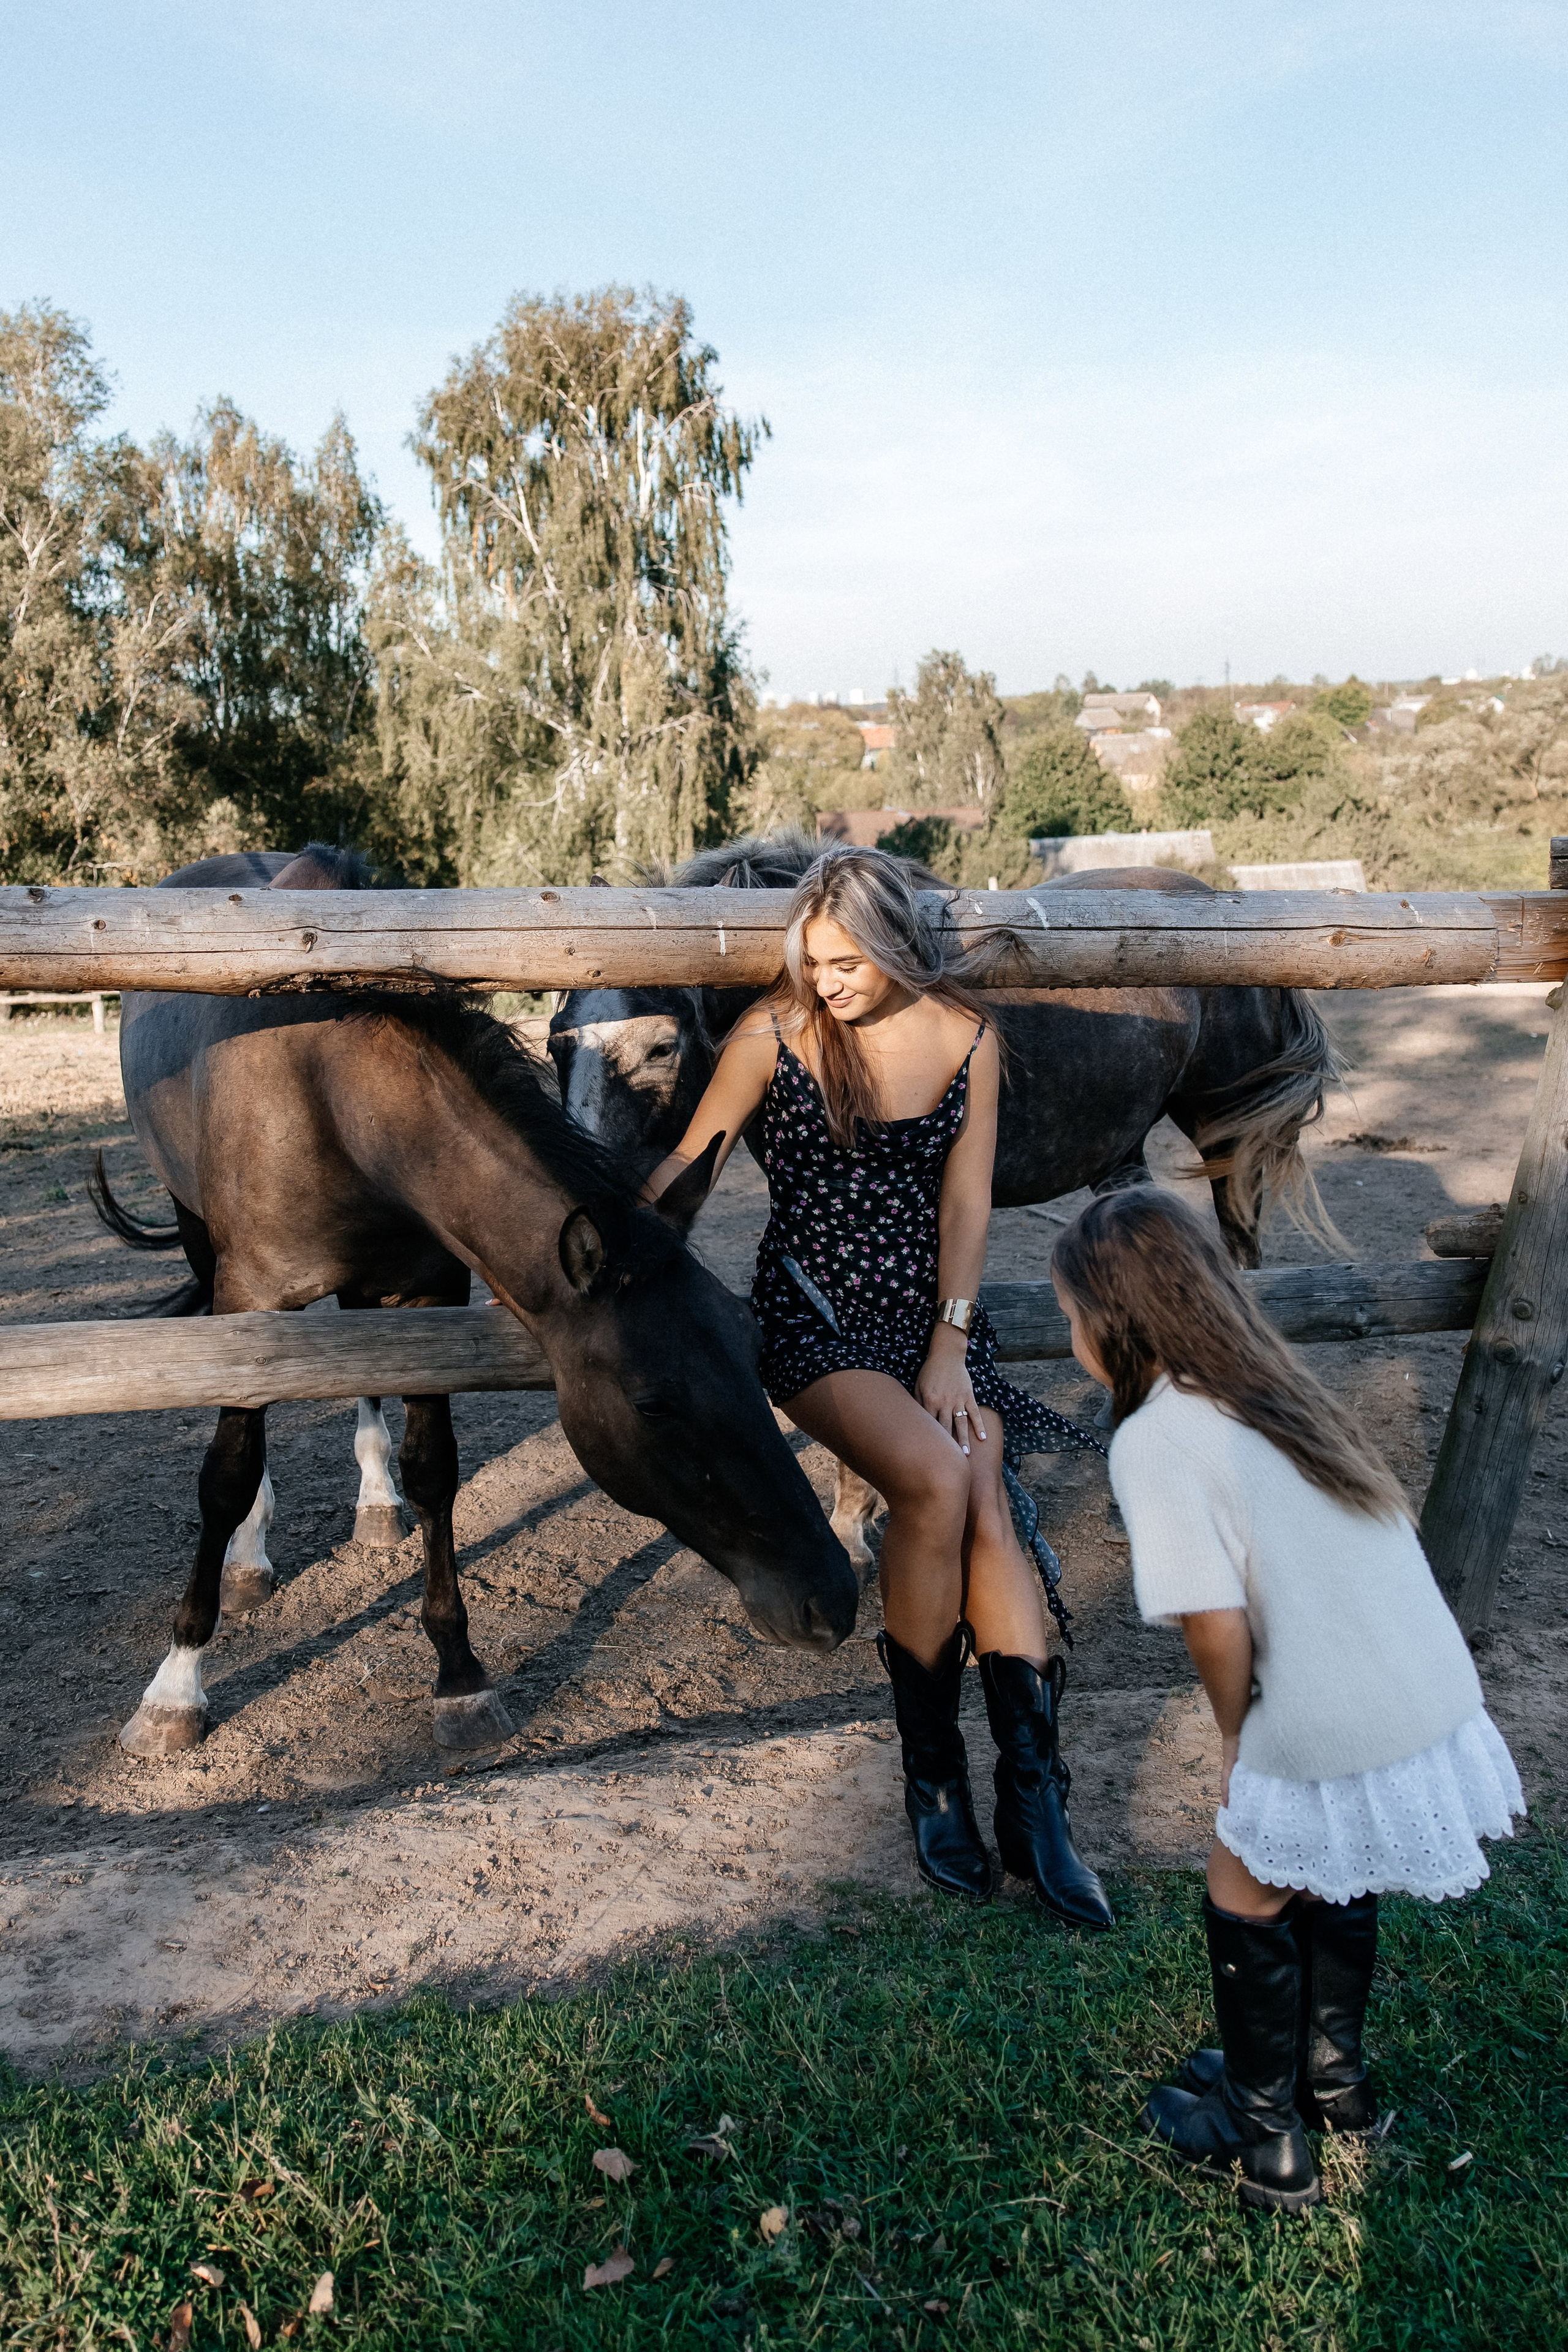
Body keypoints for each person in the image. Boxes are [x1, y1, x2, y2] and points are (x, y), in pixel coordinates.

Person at [642, 843, 1114, 1928]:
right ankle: (935, 1776)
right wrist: (590, 1239)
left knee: (985, 1491)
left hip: (932, 1324)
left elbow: (967, 1204)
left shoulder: (970, 1037)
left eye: (846, 961)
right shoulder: (773, 1034)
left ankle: (1035, 1800)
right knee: (941, 1482)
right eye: (812, 962)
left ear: (896, 945)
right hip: (815, 1316)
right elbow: (691, 1163)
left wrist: (951, 1344)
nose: (827, 982)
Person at [1051, 1185, 1526, 2212]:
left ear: (1115, 1323)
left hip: (1327, 1713)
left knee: (1246, 1885)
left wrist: (1237, 1735)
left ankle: (1263, 2133)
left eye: (1072, 1317)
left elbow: (1215, 1623)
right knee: (1329, 1870)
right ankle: (1333, 2083)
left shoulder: (1156, 1439)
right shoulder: (1276, 1391)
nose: (1071, 1337)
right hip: (1427, 1691)